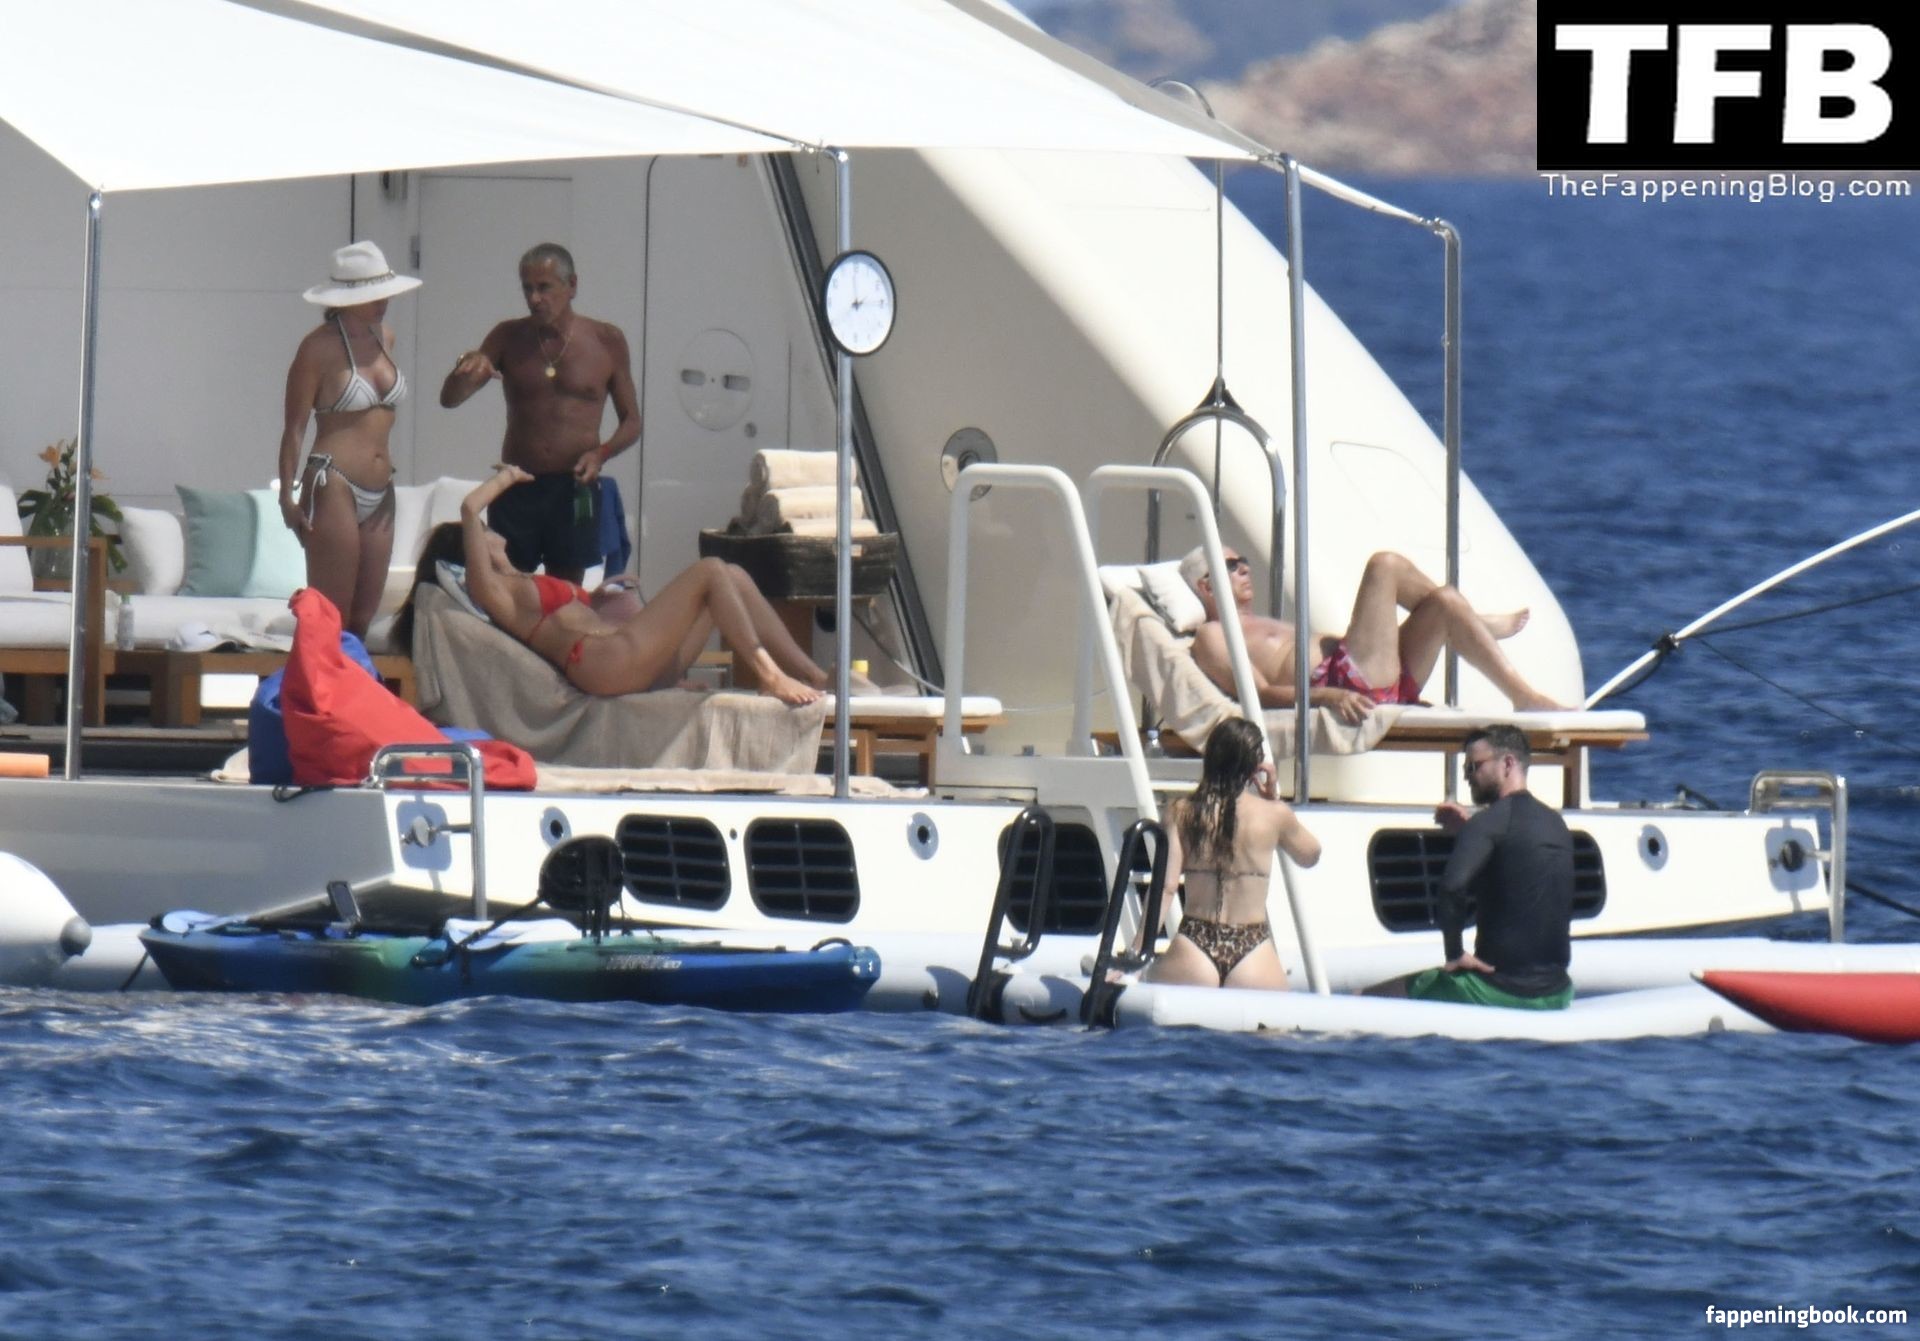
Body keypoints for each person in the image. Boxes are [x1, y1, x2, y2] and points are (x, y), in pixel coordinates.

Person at [396, 467, 826, 705]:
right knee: (711, 570)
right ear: (470, 550)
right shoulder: (497, 593)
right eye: (482, 534)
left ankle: (813, 674)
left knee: (732, 574)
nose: (491, 531)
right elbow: (470, 508)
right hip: (607, 662)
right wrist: (507, 477)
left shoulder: (521, 580)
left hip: (631, 659)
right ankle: (769, 674)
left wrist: (598, 600)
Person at [438, 242, 640, 585]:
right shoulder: (508, 336)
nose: (535, 299)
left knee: (566, 589)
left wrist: (601, 454)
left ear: (571, 285)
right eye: (527, 288)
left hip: (574, 484)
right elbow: (450, 399)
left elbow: (632, 421)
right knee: (508, 584)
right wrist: (467, 370)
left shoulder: (606, 340)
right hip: (518, 483)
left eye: (544, 287)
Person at [1181, 546, 1564, 723]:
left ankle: (1523, 695)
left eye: (1244, 562)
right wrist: (1328, 696)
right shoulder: (1212, 636)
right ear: (1206, 586)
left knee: (1446, 600)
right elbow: (1260, 693)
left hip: (1370, 673)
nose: (1245, 569)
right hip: (1345, 683)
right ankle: (1473, 623)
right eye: (1232, 565)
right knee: (1385, 565)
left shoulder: (1263, 622)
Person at [1372, 725, 1575, 1009]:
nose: (1467, 776)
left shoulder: (1489, 823)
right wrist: (1470, 831)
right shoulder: (1556, 823)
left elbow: (1452, 887)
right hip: (1558, 992)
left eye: (1474, 766)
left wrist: (1455, 953)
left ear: (1507, 764)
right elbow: (1520, 871)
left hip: (1498, 991)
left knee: (1366, 998)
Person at [277, 241, 421, 638]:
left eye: (384, 293)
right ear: (345, 299)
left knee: (363, 618)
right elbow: (295, 427)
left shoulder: (385, 337)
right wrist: (287, 496)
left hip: (381, 487)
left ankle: (351, 681)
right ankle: (317, 680)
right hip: (334, 482)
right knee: (331, 616)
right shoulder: (317, 348)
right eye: (373, 295)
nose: (383, 302)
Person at [1137, 718, 1322, 990]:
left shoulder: (1181, 811)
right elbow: (1310, 855)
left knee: (1148, 983)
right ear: (1255, 766)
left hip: (1195, 942)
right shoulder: (1273, 815)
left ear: (1210, 758)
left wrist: (1136, 952)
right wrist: (1274, 802)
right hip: (1251, 947)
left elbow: (1166, 888)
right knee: (1279, 1015)